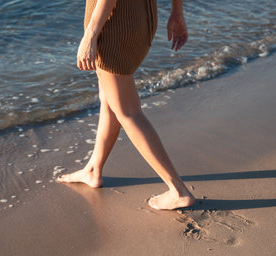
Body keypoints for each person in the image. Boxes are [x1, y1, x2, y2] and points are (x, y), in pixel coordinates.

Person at [56, 0, 195, 210]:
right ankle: (94, 169)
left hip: (114, 26)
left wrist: (91, 34)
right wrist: (177, 13)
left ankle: (178, 190)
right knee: (109, 98)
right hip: (141, 21)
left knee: (128, 112)